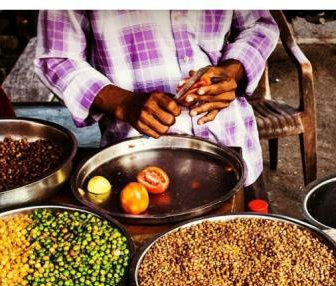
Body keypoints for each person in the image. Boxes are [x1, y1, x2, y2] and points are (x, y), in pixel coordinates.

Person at [34, 10, 279, 187]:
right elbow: (57, 57)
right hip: (136, 163)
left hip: (232, 142)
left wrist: (231, 71)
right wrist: (123, 103)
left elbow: (259, 25)